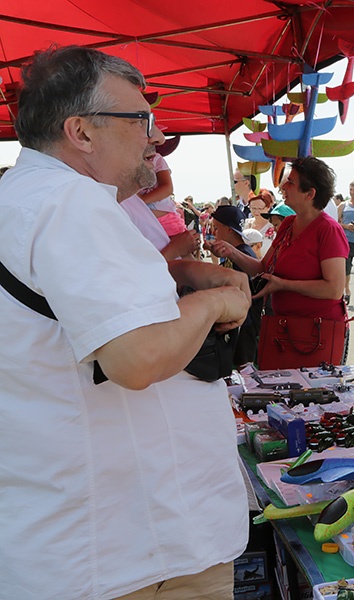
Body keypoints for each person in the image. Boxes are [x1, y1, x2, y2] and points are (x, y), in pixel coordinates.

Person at [0, 45, 250, 599]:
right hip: (128, 551)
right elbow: (135, 359)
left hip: (97, 539)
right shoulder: (71, 202)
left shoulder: (24, 199)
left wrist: (177, 274)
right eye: (141, 119)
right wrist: (213, 305)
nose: (155, 136)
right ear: (81, 132)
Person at [207, 156, 350, 361]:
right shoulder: (288, 224)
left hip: (315, 335)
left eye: (291, 182)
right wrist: (230, 250)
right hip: (284, 328)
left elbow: (334, 289)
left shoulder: (328, 230)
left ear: (310, 194)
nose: (283, 186)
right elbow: (263, 268)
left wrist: (282, 285)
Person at [207, 205, 262, 367]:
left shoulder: (242, 254)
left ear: (229, 230)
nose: (213, 232)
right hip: (240, 321)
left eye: (216, 228)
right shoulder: (236, 251)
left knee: (244, 369)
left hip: (246, 324)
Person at [245, 193, 276, 257]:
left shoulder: (274, 226)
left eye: (260, 208)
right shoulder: (245, 224)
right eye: (253, 208)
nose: (256, 212)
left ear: (268, 207)